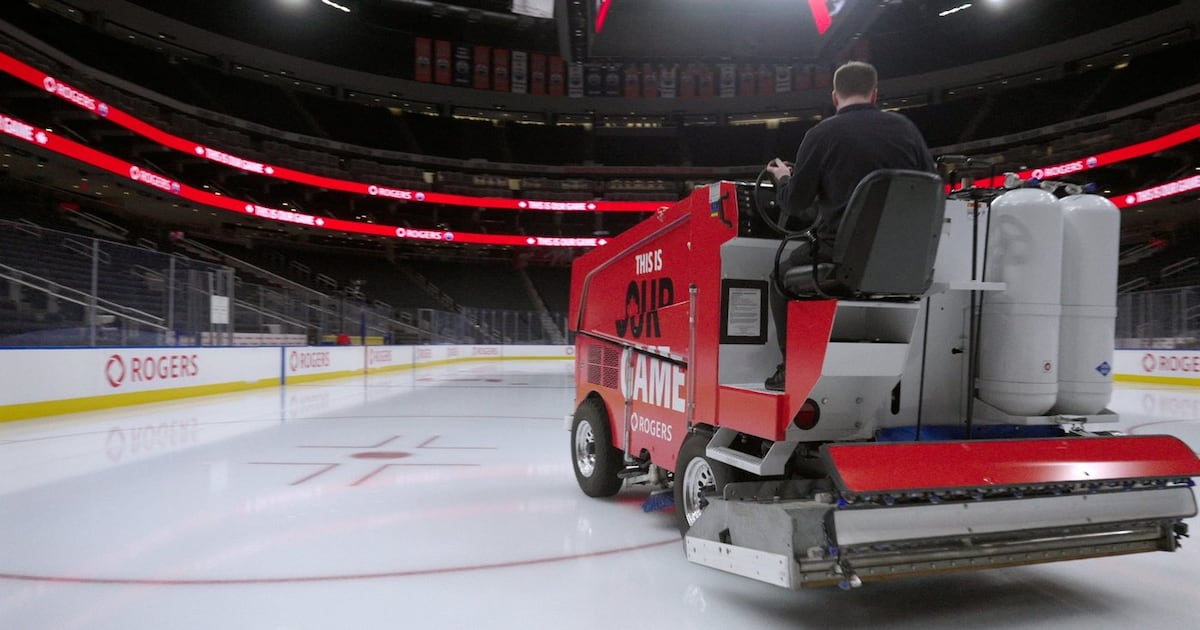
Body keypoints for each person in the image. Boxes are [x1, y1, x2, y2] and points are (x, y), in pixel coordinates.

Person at [763, 60, 937, 391]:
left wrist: (785, 178)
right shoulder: (906, 130)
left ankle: (793, 369)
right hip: (906, 262)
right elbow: (929, 185)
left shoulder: (822, 134)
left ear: (834, 97)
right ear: (874, 94)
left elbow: (796, 203)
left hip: (843, 260)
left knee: (780, 277)